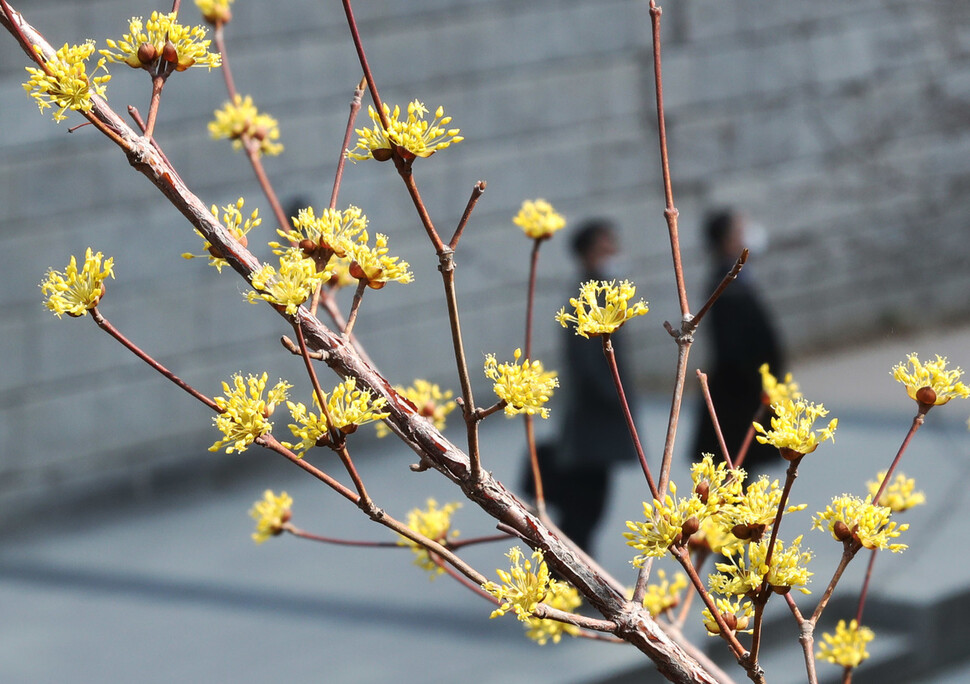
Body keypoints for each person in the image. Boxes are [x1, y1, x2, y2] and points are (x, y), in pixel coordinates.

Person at [544, 218, 641, 553]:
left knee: (589, 502)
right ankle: (574, 572)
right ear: (586, 253)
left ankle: (577, 571)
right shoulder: (588, 296)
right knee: (585, 504)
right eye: (604, 247)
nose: (613, 252)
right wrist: (616, 398)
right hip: (592, 418)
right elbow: (586, 362)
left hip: (598, 416)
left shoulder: (601, 290)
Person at [691, 208, 784, 472]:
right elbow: (732, 348)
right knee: (736, 479)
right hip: (738, 402)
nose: (747, 237)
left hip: (747, 394)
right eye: (740, 232)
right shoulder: (725, 283)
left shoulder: (739, 278)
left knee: (742, 476)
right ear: (726, 241)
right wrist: (758, 384)